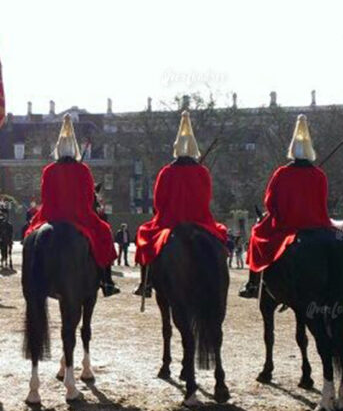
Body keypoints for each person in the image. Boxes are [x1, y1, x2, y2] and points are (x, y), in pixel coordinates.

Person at [134, 110, 228, 296]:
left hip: (169, 221)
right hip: (200, 220)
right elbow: (206, 199)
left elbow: (159, 202)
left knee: (144, 235)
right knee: (221, 237)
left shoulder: (166, 172)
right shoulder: (202, 172)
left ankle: (145, 283)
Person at [25, 115, 119, 296]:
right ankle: (106, 280)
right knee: (105, 232)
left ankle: (30, 280)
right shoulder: (83, 170)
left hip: (52, 215)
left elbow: (46, 197)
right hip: (80, 216)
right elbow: (87, 198)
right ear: (75, 148)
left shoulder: (49, 170)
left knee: (30, 235)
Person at [240, 114, 330, 298]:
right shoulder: (319, 175)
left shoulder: (282, 173)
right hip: (318, 224)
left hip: (286, 225)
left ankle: (253, 284)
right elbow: (322, 203)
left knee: (257, 233)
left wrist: (277, 214)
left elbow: (270, 202)